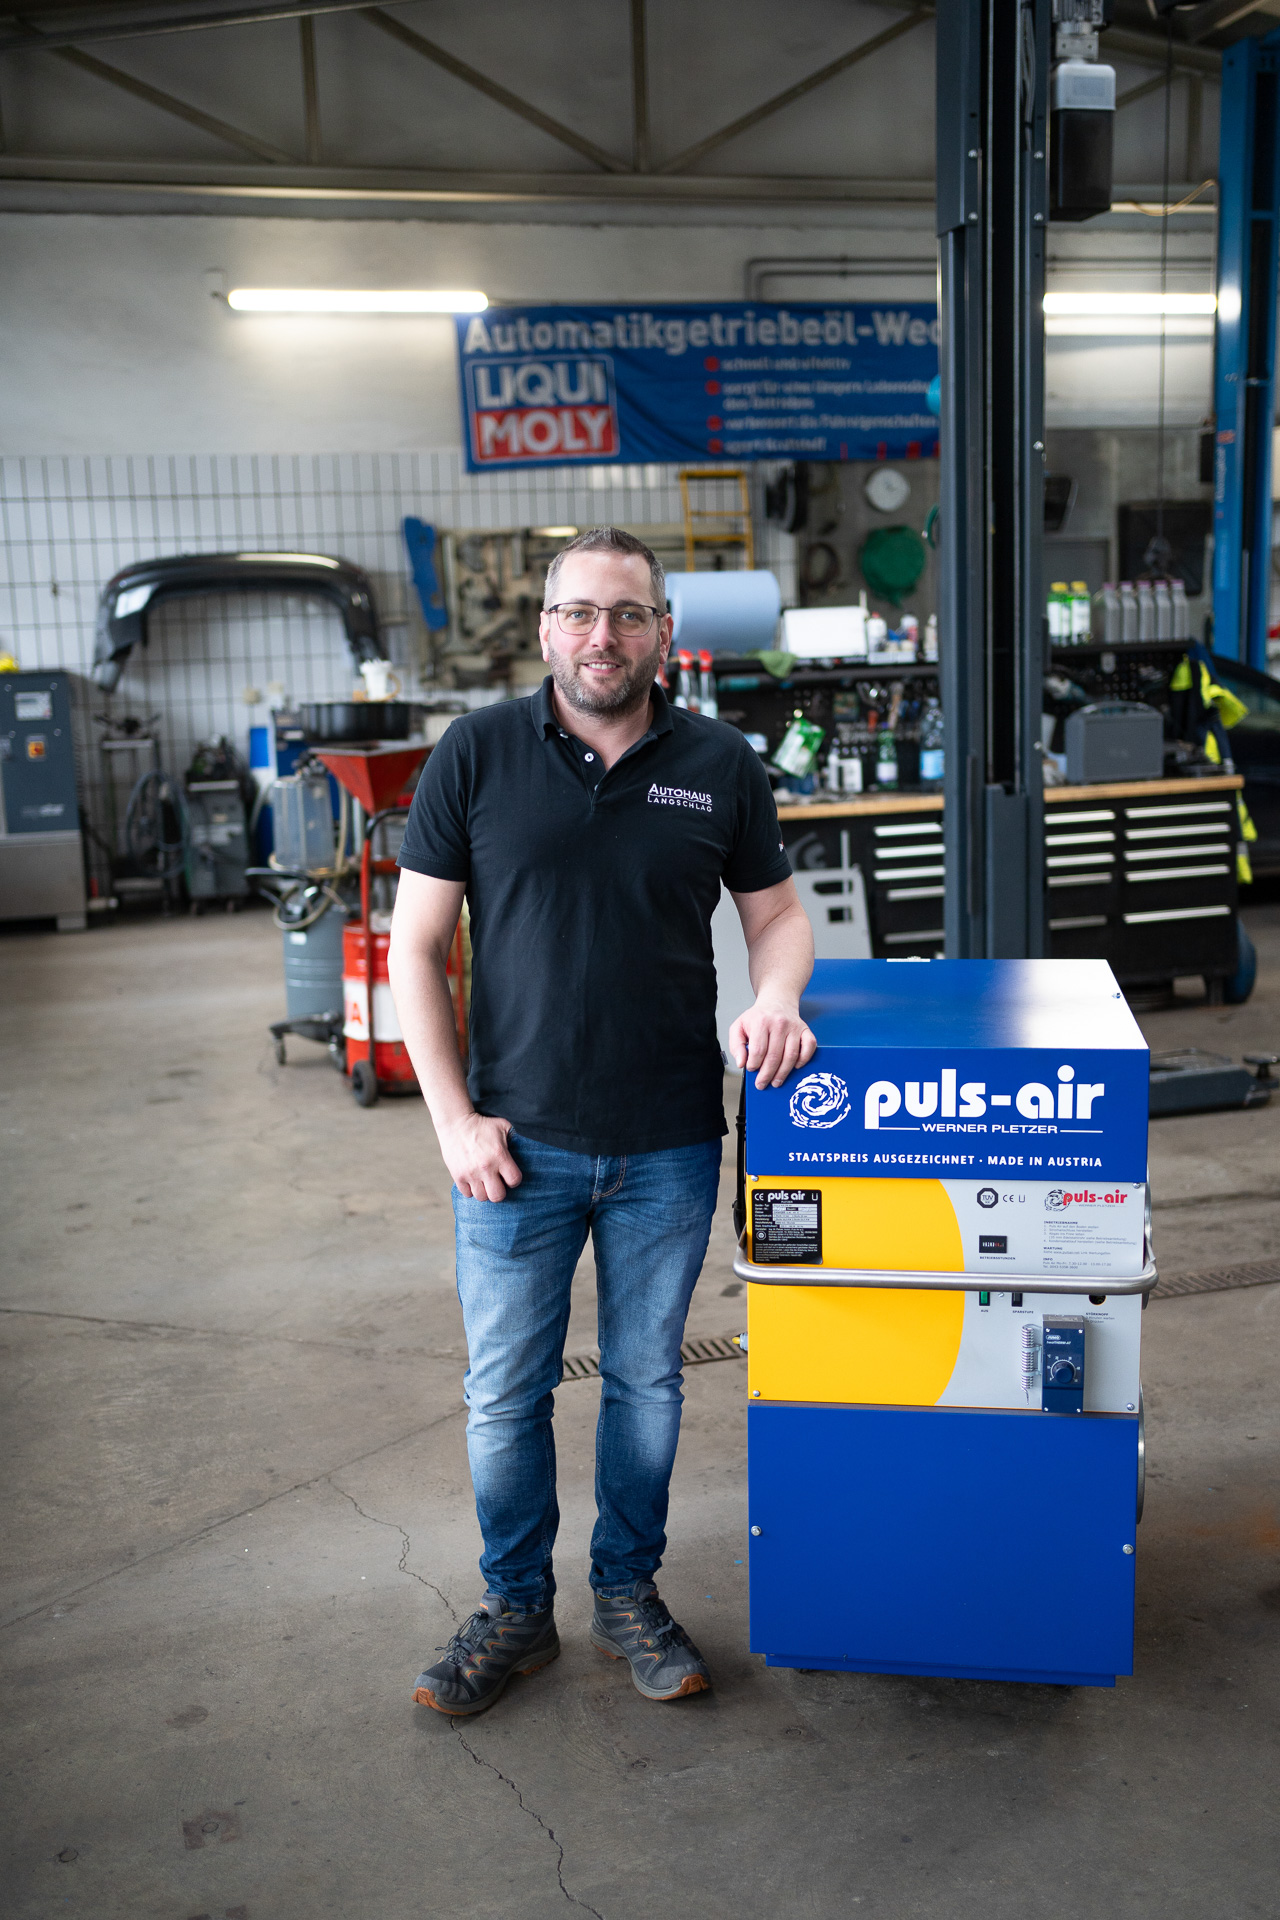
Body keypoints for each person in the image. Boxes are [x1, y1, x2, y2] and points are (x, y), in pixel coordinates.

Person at [388, 525, 815, 1716]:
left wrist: (776, 996)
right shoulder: (473, 756)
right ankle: (515, 1610)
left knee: (646, 1386)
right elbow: (414, 950)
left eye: (626, 614)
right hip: (511, 1150)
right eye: (579, 613)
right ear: (544, 628)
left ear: (662, 632)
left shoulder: (718, 762)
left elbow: (775, 917)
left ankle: (625, 1590)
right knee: (503, 1394)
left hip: (670, 1140)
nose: (601, 636)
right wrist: (452, 1121)